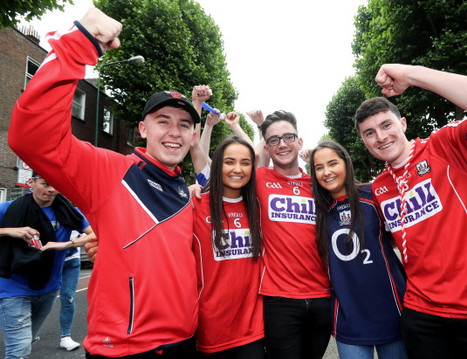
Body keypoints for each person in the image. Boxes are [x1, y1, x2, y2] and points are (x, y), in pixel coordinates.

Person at [9, 8, 200, 358]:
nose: (174, 132)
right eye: (163, 121)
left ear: (193, 136)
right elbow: (33, 139)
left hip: (186, 340)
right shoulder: (111, 169)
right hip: (124, 348)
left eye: (185, 125)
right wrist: (81, 42)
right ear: (142, 129)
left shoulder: (183, 191)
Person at [354, 64, 467, 359]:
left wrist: (411, 76)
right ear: (363, 141)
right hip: (422, 317)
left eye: (386, 125)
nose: (380, 137)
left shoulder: (447, 147)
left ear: (403, 124)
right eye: (369, 133)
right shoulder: (379, 188)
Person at [309, 140, 407, 359]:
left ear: (346, 163)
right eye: (319, 167)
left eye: (332, 163)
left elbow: (398, 238)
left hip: (391, 310)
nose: (327, 172)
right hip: (349, 316)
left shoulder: (373, 195)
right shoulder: (316, 210)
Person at [255, 110, 331, 359]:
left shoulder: (319, 185)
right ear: (267, 148)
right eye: (274, 140)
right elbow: (218, 177)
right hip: (279, 300)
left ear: (299, 142)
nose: (282, 144)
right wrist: (195, 188)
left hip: (322, 297)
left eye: (288, 137)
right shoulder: (258, 179)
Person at [0, 174, 93, 359]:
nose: (51, 189)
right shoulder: (9, 208)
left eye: (56, 185)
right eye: (45, 184)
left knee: (30, 339)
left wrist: (66, 244)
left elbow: (96, 234)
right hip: (13, 288)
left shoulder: (69, 212)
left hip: (49, 288)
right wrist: (11, 231)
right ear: (31, 182)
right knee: (19, 349)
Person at [192, 133, 264, 358]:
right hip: (210, 329)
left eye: (245, 163)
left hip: (254, 330)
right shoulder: (196, 206)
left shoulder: (260, 209)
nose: (238, 169)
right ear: (217, 165)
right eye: (229, 162)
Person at [57, 229, 95, 351]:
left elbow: (93, 233)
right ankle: (30, 332)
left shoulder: (73, 212)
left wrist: (70, 244)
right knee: (43, 297)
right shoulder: (34, 211)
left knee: (68, 296)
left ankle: (65, 336)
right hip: (47, 259)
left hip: (71, 259)